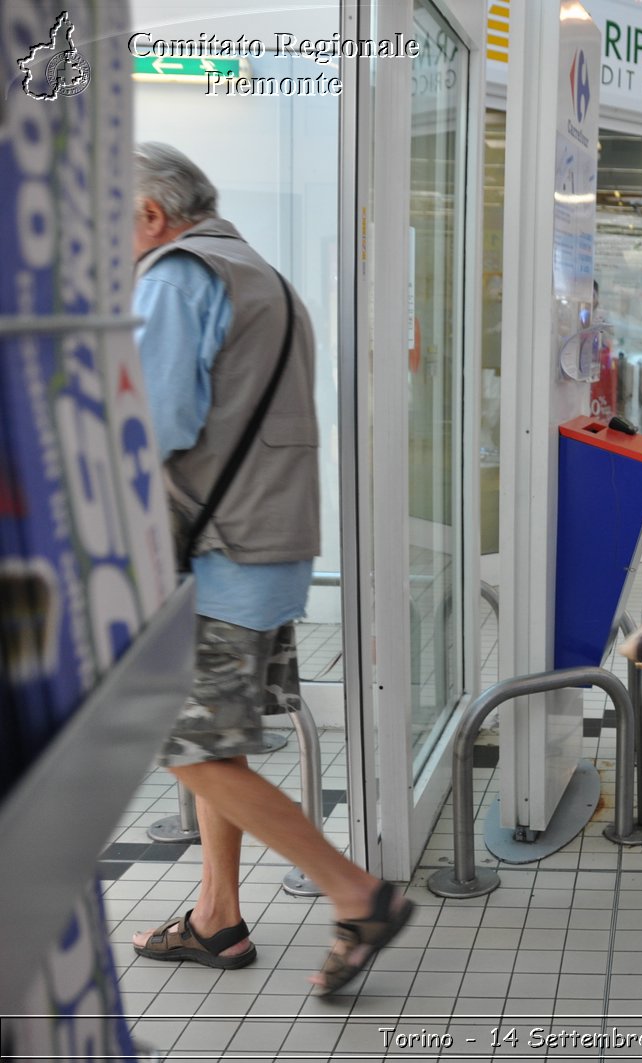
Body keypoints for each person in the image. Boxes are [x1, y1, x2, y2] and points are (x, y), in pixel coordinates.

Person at [127, 143, 411, 995]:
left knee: (182, 745)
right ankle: (217, 916)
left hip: (216, 558)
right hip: (263, 547)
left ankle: (357, 894)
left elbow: (152, 425)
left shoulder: (175, 278)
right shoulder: (261, 275)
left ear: (148, 215)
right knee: (213, 740)